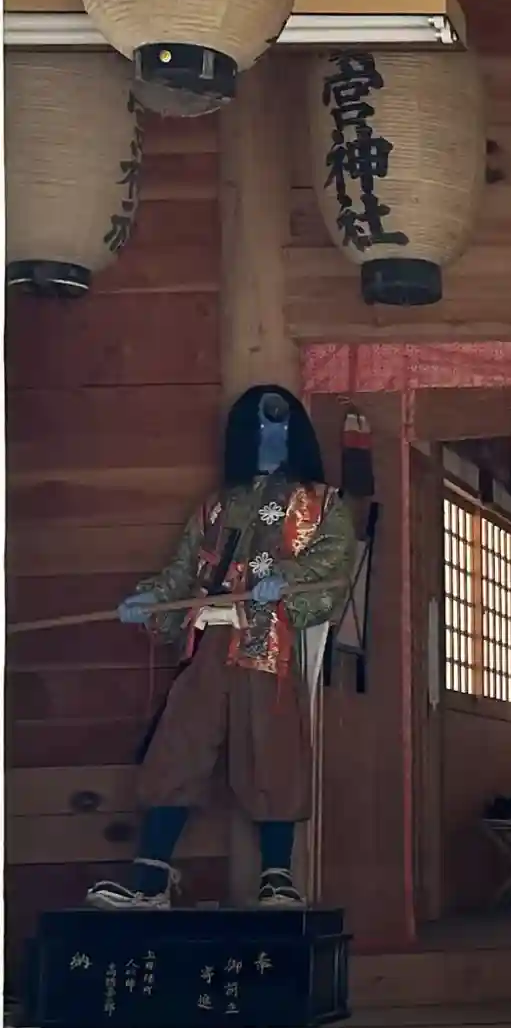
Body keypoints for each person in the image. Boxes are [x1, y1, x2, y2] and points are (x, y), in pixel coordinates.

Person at [87, 386, 358, 911]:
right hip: (208, 640)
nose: (272, 437)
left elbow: (334, 565)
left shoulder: (322, 503)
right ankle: (151, 879)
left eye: (281, 426)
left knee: (273, 753)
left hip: (269, 644)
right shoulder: (216, 506)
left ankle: (277, 876)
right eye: (261, 426)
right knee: (178, 747)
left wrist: (286, 578)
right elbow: (183, 573)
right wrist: (151, 601)